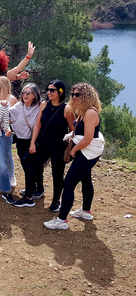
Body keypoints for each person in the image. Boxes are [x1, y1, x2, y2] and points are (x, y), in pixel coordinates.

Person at [44, 83, 104, 229]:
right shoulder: (84, 111)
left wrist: (73, 150)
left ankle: (61, 220)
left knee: (68, 184)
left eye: (78, 95)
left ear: (87, 96)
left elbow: (88, 138)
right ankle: (85, 211)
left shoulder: (90, 113)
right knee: (86, 180)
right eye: (73, 95)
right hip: (87, 151)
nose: (74, 97)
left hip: (86, 152)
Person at [25, 80, 76, 211]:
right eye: (47, 89)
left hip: (59, 147)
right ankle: (29, 196)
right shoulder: (44, 105)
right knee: (32, 166)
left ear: (60, 92)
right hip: (43, 144)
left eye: (52, 90)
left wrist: (71, 147)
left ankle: (55, 201)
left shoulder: (67, 109)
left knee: (57, 174)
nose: (48, 92)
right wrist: (32, 143)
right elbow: (38, 125)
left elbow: (73, 130)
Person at [10, 84, 43, 207]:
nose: (25, 95)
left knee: (31, 167)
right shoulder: (18, 107)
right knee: (27, 167)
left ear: (35, 95)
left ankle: (29, 196)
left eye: (28, 93)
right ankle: (36, 189)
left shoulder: (41, 107)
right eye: (23, 92)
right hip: (21, 141)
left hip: (35, 141)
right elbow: (7, 115)